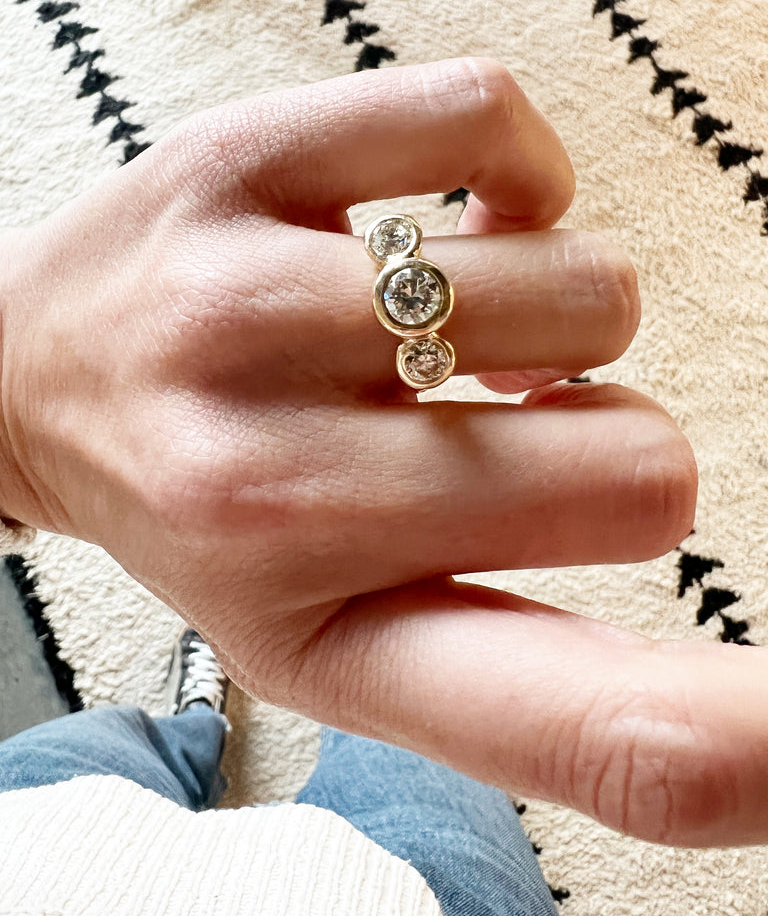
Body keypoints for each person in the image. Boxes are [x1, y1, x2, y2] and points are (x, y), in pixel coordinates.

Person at [5, 54, 752, 908]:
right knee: (405, 743)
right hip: (409, 893)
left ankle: (195, 725)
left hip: (29, 826)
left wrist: (18, 381)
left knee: (95, 753)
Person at [0, 627, 559, 915]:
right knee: (407, 715)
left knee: (102, 743)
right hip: (411, 897)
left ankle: (197, 725)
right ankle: (353, 652)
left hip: (40, 844)